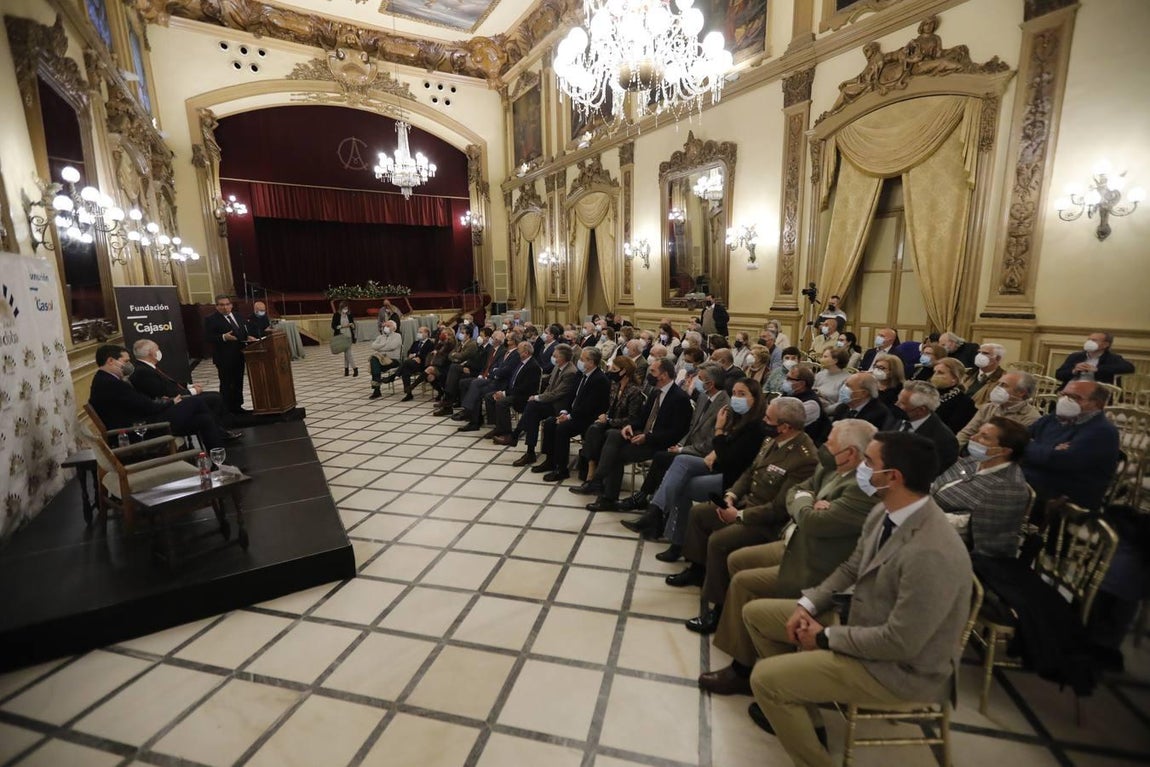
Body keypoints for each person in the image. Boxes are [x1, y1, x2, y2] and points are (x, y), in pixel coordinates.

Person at [742, 431, 972, 767]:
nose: (861, 468)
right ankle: (807, 712)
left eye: (869, 462)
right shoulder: (886, 511)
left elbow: (900, 642)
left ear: (893, 477)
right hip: (860, 620)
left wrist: (824, 637)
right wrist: (807, 605)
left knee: (765, 680)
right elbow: (851, 567)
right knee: (756, 615)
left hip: (899, 669)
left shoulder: (931, 551)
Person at [697, 419, 877, 691]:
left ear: (850, 453)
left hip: (818, 562)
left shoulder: (861, 488)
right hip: (799, 540)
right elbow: (798, 492)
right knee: (737, 561)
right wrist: (808, 501)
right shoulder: (832, 467)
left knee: (742, 575)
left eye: (830, 442)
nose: (824, 446)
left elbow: (811, 519)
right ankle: (737, 633)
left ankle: (745, 669)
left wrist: (806, 504)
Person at [667, 397, 818, 611]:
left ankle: (718, 605)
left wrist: (738, 516)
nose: (763, 421)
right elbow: (750, 473)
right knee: (699, 514)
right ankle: (697, 570)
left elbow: (779, 508)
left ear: (785, 427)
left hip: (767, 522)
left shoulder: (804, 458)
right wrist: (731, 496)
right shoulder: (771, 440)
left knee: (720, 540)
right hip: (746, 504)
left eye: (768, 418)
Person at [624, 379, 767, 552]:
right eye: (735, 394)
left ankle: (675, 540)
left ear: (755, 398)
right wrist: (718, 447)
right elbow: (724, 448)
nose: (736, 398)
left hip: (732, 477)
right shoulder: (738, 418)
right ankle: (655, 512)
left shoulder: (755, 426)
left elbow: (730, 458)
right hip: (719, 464)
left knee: (683, 484)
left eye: (742, 394)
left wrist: (719, 430)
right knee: (681, 461)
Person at [583, 358, 693, 511]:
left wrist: (647, 438)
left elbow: (676, 432)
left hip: (659, 444)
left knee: (615, 454)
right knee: (614, 434)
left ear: (664, 375)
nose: (649, 375)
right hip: (643, 436)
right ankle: (599, 483)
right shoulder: (656, 393)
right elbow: (641, 419)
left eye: (653, 372)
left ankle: (604, 491)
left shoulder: (679, 398)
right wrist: (629, 426)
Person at [618, 363, 729, 510]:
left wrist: (682, 450)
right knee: (662, 456)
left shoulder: (725, 406)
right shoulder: (703, 397)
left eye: (700, 379)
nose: (695, 382)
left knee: (661, 457)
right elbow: (691, 428)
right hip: (690, 446)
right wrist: (680, 445)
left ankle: (646, 498)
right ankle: (649, 500)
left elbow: (711, 442)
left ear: (711, 383)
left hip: (706, 454)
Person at [89, 344, 236, 450]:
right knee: (196, 402)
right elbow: (147, 406)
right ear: (110, 361)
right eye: (125, 361)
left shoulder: (104, 380)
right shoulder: (110, 383)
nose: (128, 365)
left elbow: (139, 403)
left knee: (204, 419)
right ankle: (220, 451)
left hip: (142, 423)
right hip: (140, 430)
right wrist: (170, 402)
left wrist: (164, 402)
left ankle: (219, 463)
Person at [932, 417, 1032, 558]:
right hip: (934, 520)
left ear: (1004, 451)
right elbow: (938, 486)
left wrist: (923, 514)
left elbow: (972, 529)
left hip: (960, 547)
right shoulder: (972, 461)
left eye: (984, 437)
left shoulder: (1008, 487)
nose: (973, 437)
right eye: (978, 432)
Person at [1023, 379, 1120, 510]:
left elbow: (1060, 460)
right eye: (1063, 395)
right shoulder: (1054, 418)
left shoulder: (1102, 431)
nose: (1065, 400)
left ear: (1097, 404)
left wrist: (1032, 448)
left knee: (1006, 481)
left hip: (1070, 492)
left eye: (1074, 397)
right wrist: (1051, 449)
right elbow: (1019, 439)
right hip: (1042, 476)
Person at [531, 347, 611, 480]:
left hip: (588, 417)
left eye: (582, 359)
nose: (579, 362)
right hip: (574, 413)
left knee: (563, 428)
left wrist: (568, 417)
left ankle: (562, 469)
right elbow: (571, 396)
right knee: (550, 423)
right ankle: (550, 460)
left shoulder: (599, 379)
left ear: (591, 362)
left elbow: (589, 406)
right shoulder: (581, 374)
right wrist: (564, 411)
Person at [572, 355, 647, 489]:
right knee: (593, 428)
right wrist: (604, 416)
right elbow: (609, 407)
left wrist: (610, 420)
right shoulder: (615, 385)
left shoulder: (634, 391)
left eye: (614, 369)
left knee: (602, 432)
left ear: (624, 371)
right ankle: (591, 472)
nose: (610, 371)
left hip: (625, 427)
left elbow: (633, 418)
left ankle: (595, 477)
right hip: (611, 422)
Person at [498, 343, 578, 459]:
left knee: (532, 406)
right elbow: (549, 387)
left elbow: (557, 394)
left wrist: (537, 397)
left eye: (555, 356)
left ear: (562, 358)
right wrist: (540, 398)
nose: (553, 358)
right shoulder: (557, 367)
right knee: (532, 410)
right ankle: (528, 450)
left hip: (560, 406)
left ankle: (517, 437)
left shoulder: (570, 372)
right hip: (550, 402)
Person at [129, 339, 227, 423]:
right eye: (157, 349)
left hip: (178, 395)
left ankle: (220, 428)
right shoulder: (143, 372)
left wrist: (189, 386)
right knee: (214, 398)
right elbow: (163, 392)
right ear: (151, 353)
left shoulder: (147, 367)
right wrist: (192, 392)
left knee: (216, 395)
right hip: (173, 402)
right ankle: (219, 430)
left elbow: (168, 384)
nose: (159, 351)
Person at [883, 379, 960, 470]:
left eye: (902, 403)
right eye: (898, 400)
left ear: (921, 410)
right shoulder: (895, 417)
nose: (896, 404)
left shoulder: (944, 441)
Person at [956, 371, 1043, 448]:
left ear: (1021, 392)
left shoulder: (1031, 418)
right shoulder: (987, 408)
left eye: (1004, 385)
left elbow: (1014, 448)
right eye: (998, 384)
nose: (997, 388)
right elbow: (966, 433)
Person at [482, 342, 543, 440]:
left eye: (519, 350)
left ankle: (506, 433)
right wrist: (503, 391)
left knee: (502, 402)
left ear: (526, 353)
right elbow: (513, 380)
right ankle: (498, 426)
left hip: (523, 395)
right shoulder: (520, 362)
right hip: (513, 390)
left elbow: (524, 388)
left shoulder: (533, 366)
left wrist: (504, 393)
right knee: (489, 396)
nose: (517, 352)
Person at [203, 294, 251, 414]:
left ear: (231, 305)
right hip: (224, 358)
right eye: (222, 305)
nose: (225, 307)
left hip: (239, 356)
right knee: (227, 384)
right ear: (217, 306)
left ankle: (238, 407)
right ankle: (226, 410)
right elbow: (207, 337)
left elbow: (242, 332)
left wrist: (248, 337)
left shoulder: (237, 316)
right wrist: (224, 337)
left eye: (227, 304)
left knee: (238, 382)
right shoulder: (211, 319)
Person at [1055, 332, 1136, 384]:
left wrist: (1097, 369)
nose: (1089, 342)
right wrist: (1074, 371)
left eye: (1094, 340)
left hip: (1097, 394)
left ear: (1105, 345)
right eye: (1088, 340)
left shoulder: (1112, 358)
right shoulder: (1076, 356)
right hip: (1073, 390)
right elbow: (1059, 375)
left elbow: (1129, 368)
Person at [931, 357, 978, 434]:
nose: (935, 375)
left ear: (955, 378)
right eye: (934, 372)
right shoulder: (928, 394)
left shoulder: (964, 403)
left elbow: (951, 430)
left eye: (940, 372)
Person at [396, 326, 436, 402]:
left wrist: (415, 356)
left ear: (426, 333)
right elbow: (409, 352)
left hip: (423, 365)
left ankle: (394, 375)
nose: (418, 334)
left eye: (421, 332)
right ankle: (409, 394)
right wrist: (414, 356)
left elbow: (426, 356)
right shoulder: (416, 343)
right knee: (406, 370)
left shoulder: (430, 344)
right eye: (418, 332)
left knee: (406, 364)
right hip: (413, 364)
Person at [368, 320, 403, 399]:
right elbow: (373, 346)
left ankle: (376, 389)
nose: (385, 327)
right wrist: (384, 345)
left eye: (388, 326)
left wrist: (380, 347)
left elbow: (392, 346)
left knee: (374, 363)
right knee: (374, 359)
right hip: (382, 360)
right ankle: (378, 382)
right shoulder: (380, 337)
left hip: (393, 360)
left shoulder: (397, 336)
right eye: (385, 326)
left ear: (394, 328)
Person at [330, 301, 358, 377]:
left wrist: (352, 325)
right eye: (344, 308)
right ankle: (351, 369)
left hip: (349, 335)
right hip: (341, 336)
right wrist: (342, 326)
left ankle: (351, 369)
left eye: (347, 308)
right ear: (341, 308)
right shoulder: (336, 315)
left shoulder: (349, 315)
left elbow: (353, 325)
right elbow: (333, 326)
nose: (346, 310)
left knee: (348, 353)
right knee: (347, 354)